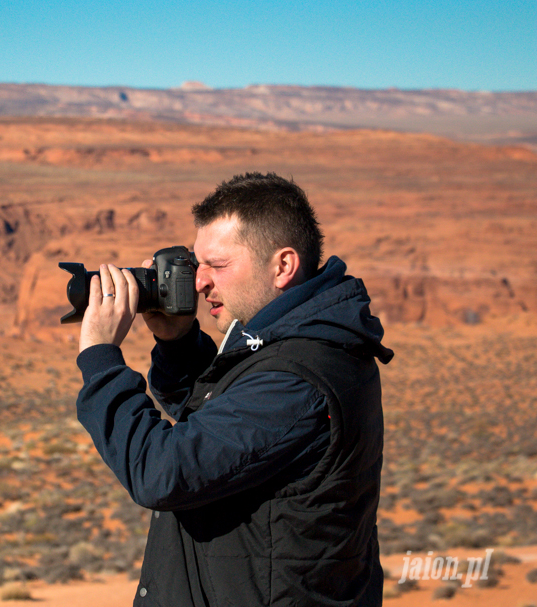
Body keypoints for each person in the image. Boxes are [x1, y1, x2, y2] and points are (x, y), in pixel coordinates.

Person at [74, 172, 393, 606]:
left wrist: (100, 359)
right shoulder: (298, 341)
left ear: (282, 266)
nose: (200, 282)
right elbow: (221, 420)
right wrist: (178, 342)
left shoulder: (299, 378)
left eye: (217, 266)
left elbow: (161, 472)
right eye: (196, 264)